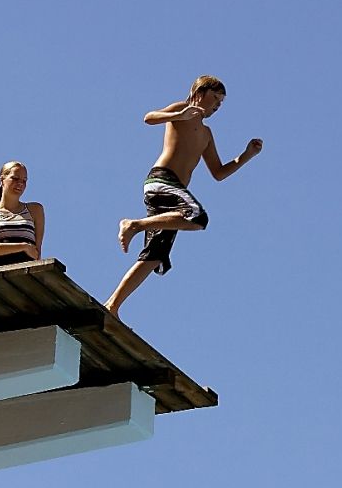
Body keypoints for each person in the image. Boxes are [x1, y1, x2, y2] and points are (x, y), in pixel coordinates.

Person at [105, 75, 263, 315]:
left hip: (175, 195)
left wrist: (246, 155)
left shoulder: (207, 135)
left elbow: (218, 172)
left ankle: (113, 305)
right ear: (200, 92)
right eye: (215, 99)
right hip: (161, 181)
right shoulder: (182, 109)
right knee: (197, 217)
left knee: (155, 256)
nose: (217, 106)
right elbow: (149, 118)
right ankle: (134, 224)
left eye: (221, 104)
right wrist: (178, 116)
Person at [0, 161, 44, 267]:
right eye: (15, 178)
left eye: (24, 180)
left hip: (27, 273)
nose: (20, 184)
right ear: (2, 179)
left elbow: (36, 252)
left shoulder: (35, 210)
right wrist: (24, 247)